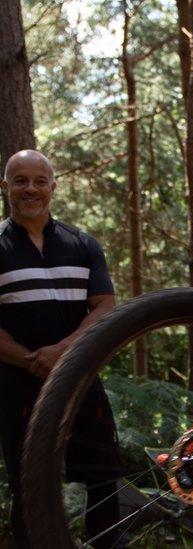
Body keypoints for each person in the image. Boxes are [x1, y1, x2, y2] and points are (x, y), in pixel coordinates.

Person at [0, 150, 122, 548]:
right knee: (29, 483)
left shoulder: (82, 243)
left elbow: (105, 305)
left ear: (54, 186)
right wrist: (30, 359)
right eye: (21, 181)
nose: (30, 189)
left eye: (39, 180)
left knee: (103, 472)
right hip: (18, 385)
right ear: (6, 187)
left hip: (81, 378)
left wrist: (64, 353)